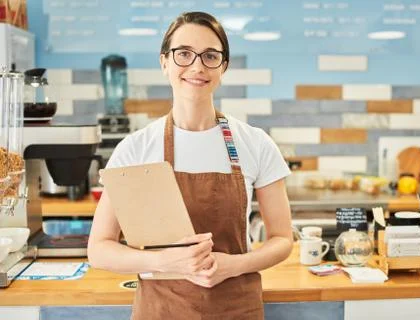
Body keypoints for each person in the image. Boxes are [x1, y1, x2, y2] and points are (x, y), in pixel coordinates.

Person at [87, 11, 293, 320]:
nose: (197, 66)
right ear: (164, 62)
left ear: (223, 67)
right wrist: (165, 263)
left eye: (210, 55)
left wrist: (232, 265)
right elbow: (99, 249)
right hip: (162, 309)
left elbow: (282, 239)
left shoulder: (255, 143)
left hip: (236, 308)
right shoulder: (136, 148)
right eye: (184, 54)